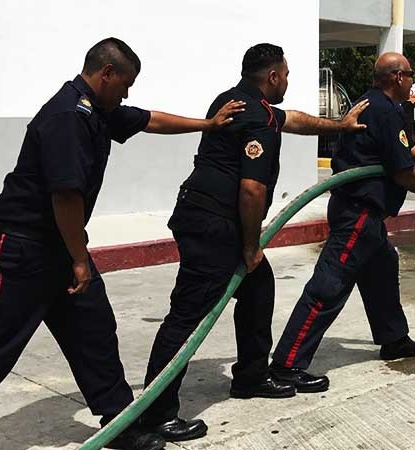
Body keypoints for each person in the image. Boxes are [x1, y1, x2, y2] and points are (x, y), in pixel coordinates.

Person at [0, 37, 245, 450]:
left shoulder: (99, 109)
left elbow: (149, 120)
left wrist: (207, 124)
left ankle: (120, 424)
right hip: (22, 251)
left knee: (94, 331)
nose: (128, 93)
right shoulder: (68, 117)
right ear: (105, 73)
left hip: (59, 247)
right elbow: (65, 196)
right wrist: (80, 259)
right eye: (125, 83)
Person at [139, 43, 369, 443]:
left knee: (258, 287)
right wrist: (250, 246)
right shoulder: (259, 120)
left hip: (199, 212)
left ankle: (250, 376)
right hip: (216, 226)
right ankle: (156, 413)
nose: (288, 82)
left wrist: (340, 126)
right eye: (287, 74)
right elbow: (251, 190)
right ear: (273, 76)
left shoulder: (233, 101)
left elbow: (293, 119)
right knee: (188, 315)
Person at [269, 52, 415, 391]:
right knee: (328, 287)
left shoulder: (381, 107)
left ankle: (394, 339)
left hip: (367, 217)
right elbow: (402, 172)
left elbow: (408, 148)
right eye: (411, 74)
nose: (414, 81)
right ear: (398, 77)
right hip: (358, 214)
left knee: (383, 271)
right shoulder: (383, 110)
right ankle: (286, 364)